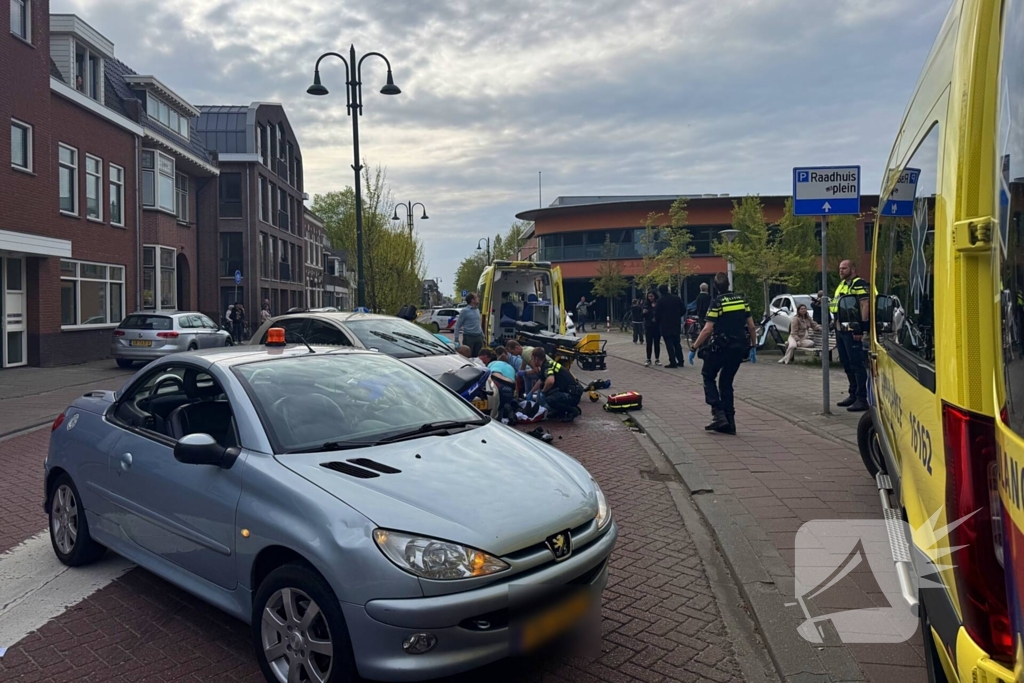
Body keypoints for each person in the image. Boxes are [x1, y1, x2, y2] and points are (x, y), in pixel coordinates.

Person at [692, 272, 757, 435]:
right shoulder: (742, 300)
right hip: (739, 347)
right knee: (726, 383)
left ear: (715, 287)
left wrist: (694, 348)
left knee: (708, 375)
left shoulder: (717, 302)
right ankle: (730, 424)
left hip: (722, 346)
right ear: (728, 284)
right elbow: (751, 326)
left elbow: (707, 329)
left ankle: (718, 413)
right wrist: (754, 345)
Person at [830, 260, 871, 412]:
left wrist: (861, 327)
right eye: (839, 268)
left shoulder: (858, 283)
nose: (840, 270)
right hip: (841, 328)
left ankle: (862, 398)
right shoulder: (843, 284)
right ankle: (853, 394)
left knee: (856, 364)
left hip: (853, 330)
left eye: (844, 268)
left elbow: (864, 304)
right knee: (847, 363)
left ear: (853, 269)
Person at [529, 348, 582, 422]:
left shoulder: (547, 366)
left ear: (537, 359)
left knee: (550, 399)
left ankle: (572, 411)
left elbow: (550, 381)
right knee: (549, 391)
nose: (531, 361)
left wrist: (543, 392)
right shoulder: (546, 365)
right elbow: (541, 381)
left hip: (571, 394)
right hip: (571, 393)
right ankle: (560, 412)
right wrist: (531, 392)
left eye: (532, 358)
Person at [657, 284, 685, 368]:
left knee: (669, 344)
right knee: (677, 343)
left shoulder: (660, 301)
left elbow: (657, 313)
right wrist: (677, 315)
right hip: (675, 323)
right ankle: (680, 360)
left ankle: (672, 361)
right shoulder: (677, 298)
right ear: (668, 289)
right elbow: (683, 310)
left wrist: (659, 320)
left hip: (665, 325)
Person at [643, 290, 661, 367]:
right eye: (649, 296)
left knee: (657, 343)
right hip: (648, 326)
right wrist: (643, 313)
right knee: (649, 343)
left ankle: (657, 359)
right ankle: (648, 359)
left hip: (657, 326)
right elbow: (641, 316)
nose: (650, 298)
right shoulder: (646, 304)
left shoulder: (658, 304)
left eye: (652, 296)